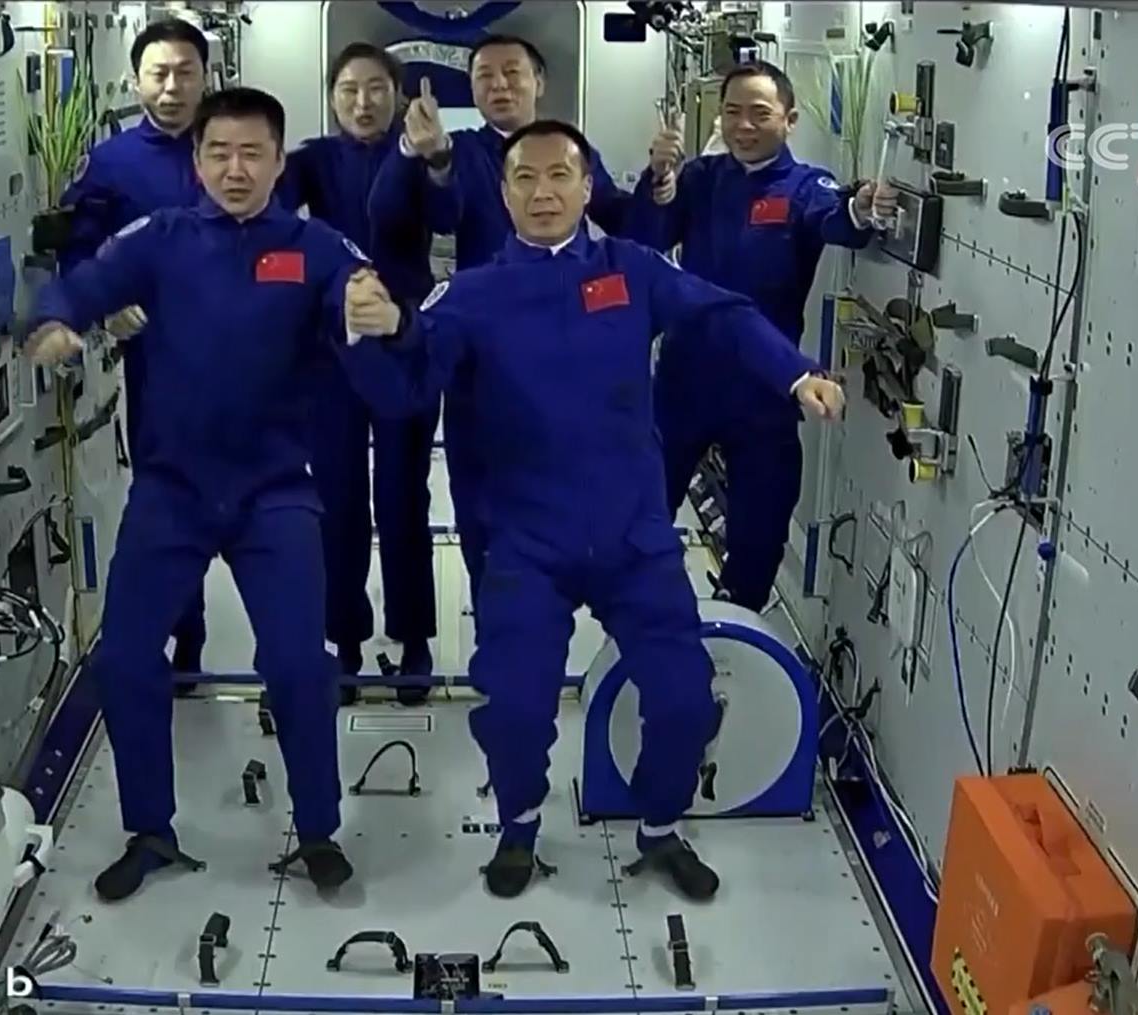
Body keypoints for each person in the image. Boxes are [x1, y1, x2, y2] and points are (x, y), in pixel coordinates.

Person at [338, 121, 847, 901]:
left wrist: (794, 373)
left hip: (631, 534)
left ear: (585, 187)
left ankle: (659, 826)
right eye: (524, 178)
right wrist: (372, 335)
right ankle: (518, 825)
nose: (542, 192)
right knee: (513, 706)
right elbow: (406, 388)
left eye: (559, 176)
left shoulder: (631, 270)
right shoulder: (471, 295)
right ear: (503, 193)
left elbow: (724, 315)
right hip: (523, 540)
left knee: (683, 698)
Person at [26, 87, 376, 901]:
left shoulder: (313, 246)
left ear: (278, 161)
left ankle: (317, 828)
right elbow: (81, 284)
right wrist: (54, 321)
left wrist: (370, 306)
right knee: (122, 658)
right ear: (197, 161)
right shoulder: (161, 239)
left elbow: (357, 291)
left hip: (273, 492)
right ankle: (149, 829)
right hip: (173, 490)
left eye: (252, 153)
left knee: (298, 663)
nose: (235, 169)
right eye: (218, 153)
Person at [369, 33, 632, 599]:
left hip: (560, 344)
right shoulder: (460, 151)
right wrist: (427, 155)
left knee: (558, 481)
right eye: (484, 76)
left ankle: (550, 601)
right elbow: (431, 215)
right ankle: (494, 610)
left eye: (512, 73)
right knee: (480, 493)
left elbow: (625, 221)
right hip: (480, 348)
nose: (499, 85)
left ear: (540, 82)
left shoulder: (571, 150)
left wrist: (662, 184)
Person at [628, 62, 896, 612]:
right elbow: (647, 236)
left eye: (759, 113)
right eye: (732, 112)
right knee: (639, 513)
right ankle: (635, 624)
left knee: (761, 528)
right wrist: (657, 180)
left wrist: (862, 209)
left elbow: (837, 220)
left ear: (789, 120)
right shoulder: (700, 178)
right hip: (684, 380)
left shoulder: (804, 187)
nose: (743, 125)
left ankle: (736, 627)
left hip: (766, 387)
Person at [278, 43, 437, 702]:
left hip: (403, 342)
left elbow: (446, 213)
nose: (363, 102)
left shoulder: (422, 156)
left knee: (403, 499)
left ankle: (413, 637)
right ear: (332, 97)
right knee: (336, 500)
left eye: (376, 88)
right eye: (349, 89)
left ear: (397, 96)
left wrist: (432, 156)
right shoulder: (311, 161)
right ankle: (341, 637)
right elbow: (266, 209)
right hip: (332, 353)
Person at [58, 17, 211, 678]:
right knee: (169, 499)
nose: (172, 87)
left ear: (206, 77)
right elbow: (78, 252)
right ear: (135, 80)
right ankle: (186, 633)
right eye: (159, 74)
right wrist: (106, 306)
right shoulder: (112, 164)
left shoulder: (232, 147)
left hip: (249, 355)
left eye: (185, 73)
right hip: (160, 362)